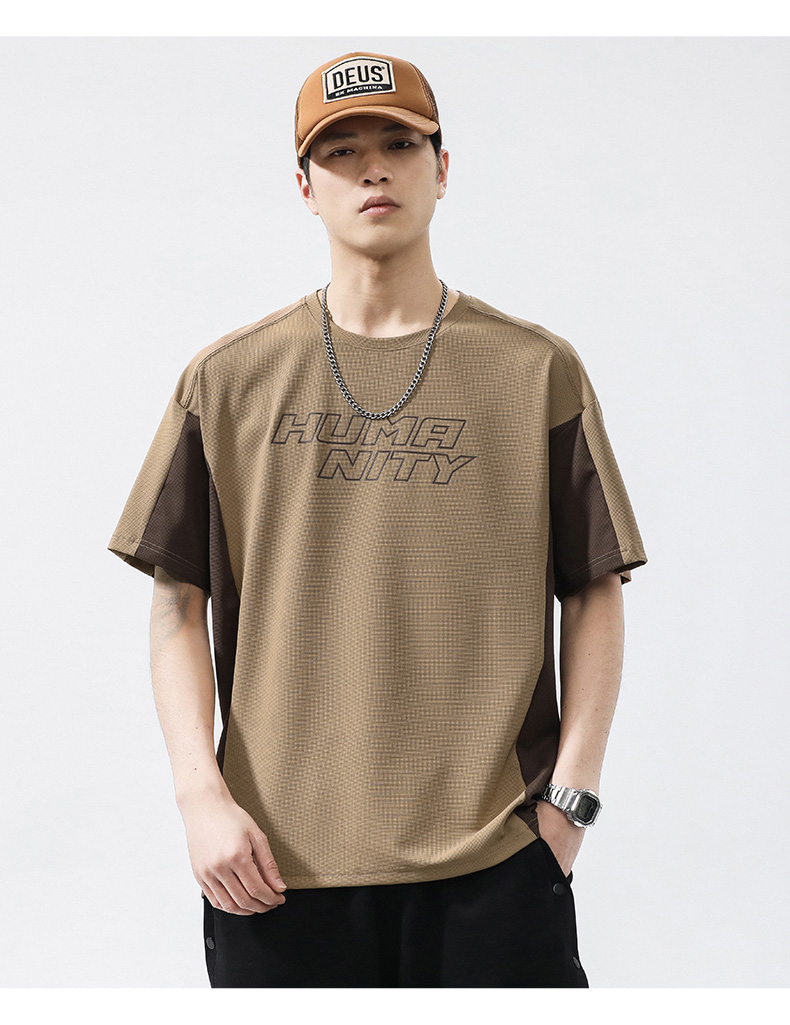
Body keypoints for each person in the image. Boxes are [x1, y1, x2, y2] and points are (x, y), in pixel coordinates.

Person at [107, 50, 648, 988]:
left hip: (495, 858)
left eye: (400, 144)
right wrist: (200, 797)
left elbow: (594, 587)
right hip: (273, 865)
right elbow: (175, 603)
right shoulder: (227, 380)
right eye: (341, 151)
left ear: (443, 168)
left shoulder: (535, 370)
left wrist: (569, 804)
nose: (373, 170)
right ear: (305, 187)